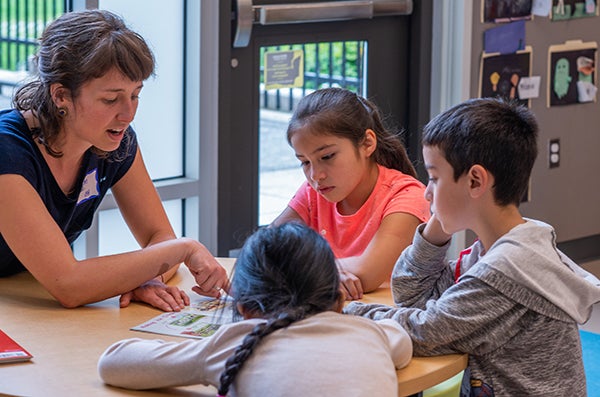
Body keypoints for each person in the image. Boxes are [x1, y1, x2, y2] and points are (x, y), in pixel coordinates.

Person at [345, 97, 600, 396]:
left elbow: (425, 333)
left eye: (434, 178)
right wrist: (435, 230)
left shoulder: (504, 272)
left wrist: (348, 311)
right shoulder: (505, 248)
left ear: (475, 181)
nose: (427, 192)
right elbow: (411, 294)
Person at [0, 9, 228, 310]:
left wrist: (146, 279)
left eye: (135, 95)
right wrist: (184, 248)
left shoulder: (114, 140)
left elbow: (158, 237)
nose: (128, 113)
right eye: (110, 99)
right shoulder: (7, 150)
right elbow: (68, 284)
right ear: (60, 96)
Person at [98, 222, 413, 396]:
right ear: (338, 298)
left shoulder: (238, 344)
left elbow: (113, 363)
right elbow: (401, 339)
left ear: (244, 307)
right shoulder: (369, 334)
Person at [271, 87, 430, 300]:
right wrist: (327, 273)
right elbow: (264, 253)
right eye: (305, 162)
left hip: (386, 325)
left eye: (327, 156)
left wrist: (306, 269)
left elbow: (367, 272)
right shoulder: (314, 192)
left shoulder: (407, 195)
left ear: (367, 144)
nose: (315, 175)